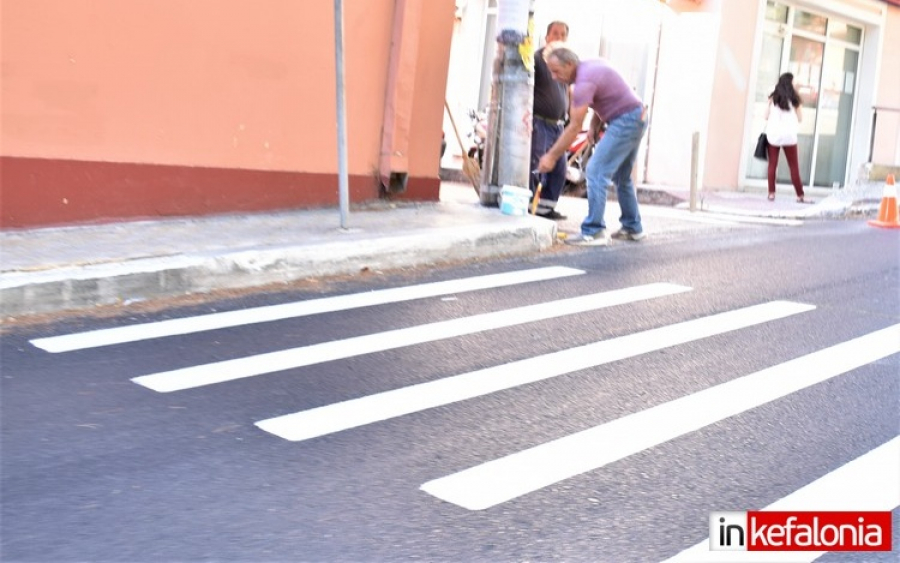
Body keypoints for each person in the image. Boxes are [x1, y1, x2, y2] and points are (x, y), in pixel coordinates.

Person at [537, 46, 647, 245]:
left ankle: (594, 231)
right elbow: (607, 96)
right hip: (636, 115)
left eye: (556, 71)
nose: (554, 77)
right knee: (622, 176)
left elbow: (573, 126)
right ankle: (633, 227)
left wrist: (552, 156)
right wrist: (594, 126)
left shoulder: (583, 81)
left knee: (596, 171)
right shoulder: (591, 67)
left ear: (569, 64)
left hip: (626, 119)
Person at [529, 21, 570, 220]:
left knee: (560, 169)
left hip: (558, 126)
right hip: (540, 123)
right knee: (537, 167)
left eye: (563, 35)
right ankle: (530, 207)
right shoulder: (537, 59)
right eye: (555, 33)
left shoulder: (564, 65)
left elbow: (567, 90)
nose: (559, 38)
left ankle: (546, 209)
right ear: (546, 37)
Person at [764, 72, 809, 203]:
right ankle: (800, 195)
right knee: (793, 167)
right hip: (789, 137)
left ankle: (771, 193)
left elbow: (765, 116)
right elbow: (800, 119)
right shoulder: (795, 99)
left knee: (772, 164)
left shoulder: (773, 98)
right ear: (790, 83)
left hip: (773, 136)